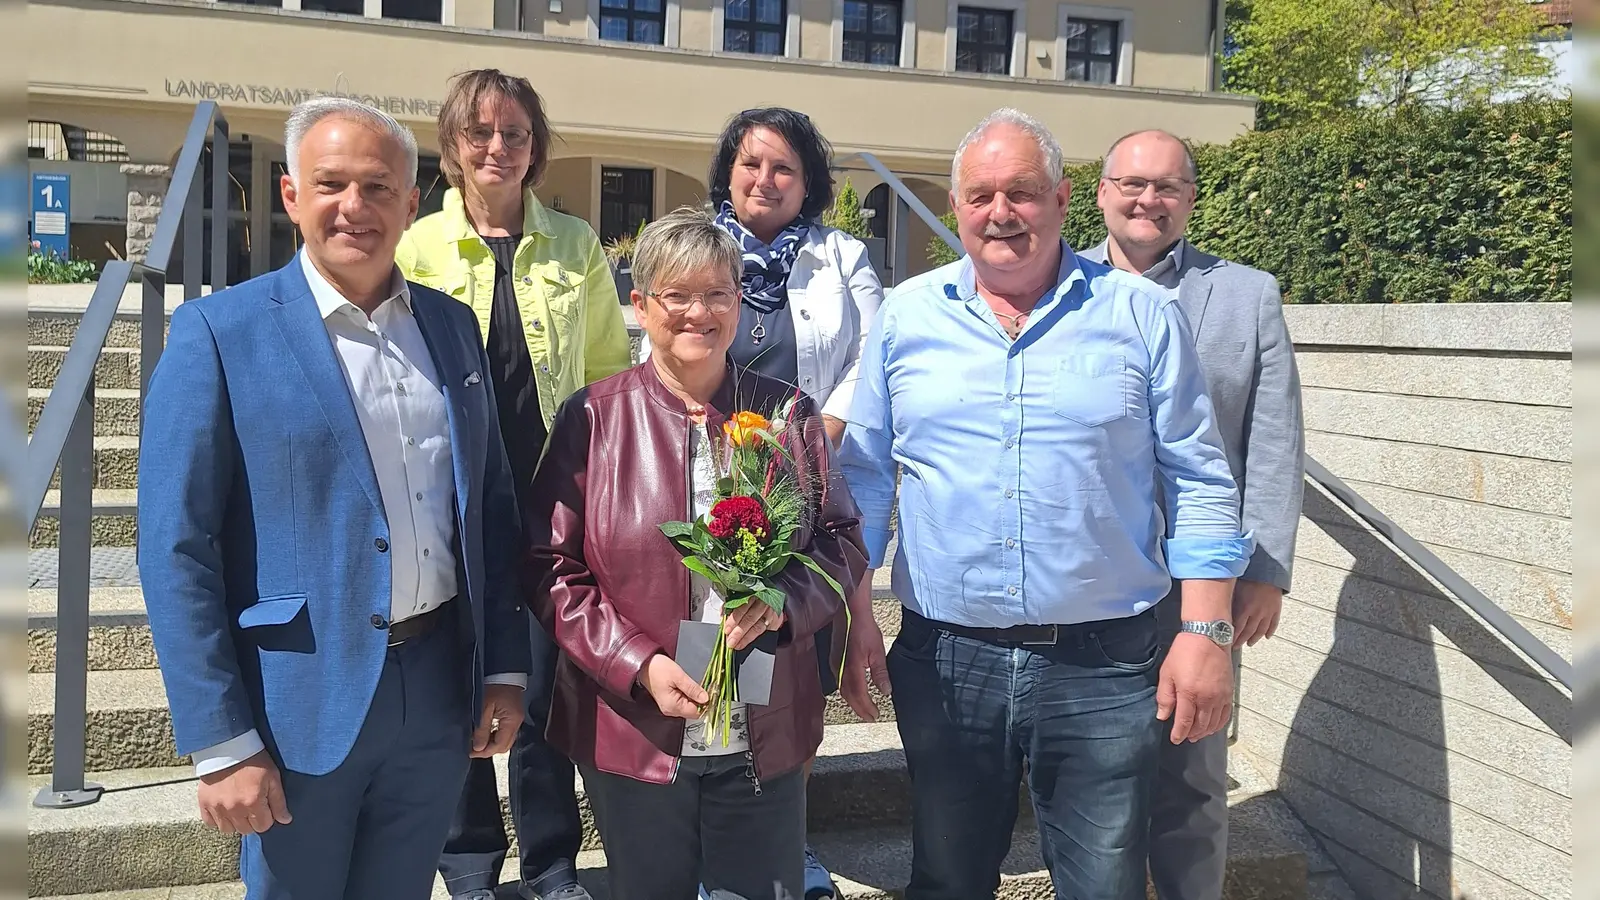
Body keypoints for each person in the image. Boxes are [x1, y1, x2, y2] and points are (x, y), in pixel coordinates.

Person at [836, 108, 1253, 900]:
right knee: (947, 878)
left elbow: (1199, 480)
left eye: (1022, 192)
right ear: (956, 207)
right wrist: (856, 613)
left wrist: (1205, 632)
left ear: (1063, 199)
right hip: (947, 656)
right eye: (981, 194)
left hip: (1104, 663)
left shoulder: (1142, 315)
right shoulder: (906, 317)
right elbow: (862, 482)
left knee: (1103, 883)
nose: (1001, 213)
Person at [137, 96, 531, 899]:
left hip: (435, 693)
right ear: (291, 196)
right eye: (331, 184)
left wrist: (506, 670)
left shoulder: (453, 328)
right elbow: (176, 545)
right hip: (298, 706)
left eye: (379, 187)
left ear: (411, 202)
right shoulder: (220, 333)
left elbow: (489, 503)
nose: (355, 207)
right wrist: (219, 739)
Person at [524, 206, 869, 900]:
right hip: (639, 728)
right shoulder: (593, 419)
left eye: (717, 293)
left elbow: (841, 541)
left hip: (762, 733)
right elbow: (550, 567)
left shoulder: (786, 415)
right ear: (641, 304)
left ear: (739, 305)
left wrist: (783, 606)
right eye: (677, 295)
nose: (698, 313)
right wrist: (638, 663)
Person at [396, 67, 632, 900]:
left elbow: (608, 369)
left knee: (538, 691)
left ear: (537, 149)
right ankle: (465, 862)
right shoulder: (415, 244)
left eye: (517, 134)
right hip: (445, 498)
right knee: (459, 681)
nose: (499, 147)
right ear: (453, 145)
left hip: (548, 498)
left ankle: (552, 864)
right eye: (481, 132)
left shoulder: (574, 244)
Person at [1080, 129, 1305, 900]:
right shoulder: (1058, 284)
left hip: (1200, 584)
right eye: (1134, 184)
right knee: (1092, 775)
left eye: (1169, 187)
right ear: (1103, 191)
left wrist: (1266, 571)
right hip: (1089, 576)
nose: (1150, 200)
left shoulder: (1247, 294)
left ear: (1191, 200)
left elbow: (1272, 440)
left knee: (1194, 775)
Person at [703, 106, 886, 900]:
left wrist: (824, 428)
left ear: (807, 182)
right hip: (703, 494)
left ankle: (788, 842)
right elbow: (659, 343)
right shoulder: (695, 245)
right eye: (750, 163)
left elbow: (876, 354)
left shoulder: (841, 256)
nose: (764, 180)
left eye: (783, 167)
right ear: (728, 172)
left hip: (806, 495)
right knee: (711, 661)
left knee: (792, 671)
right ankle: (714, 850)